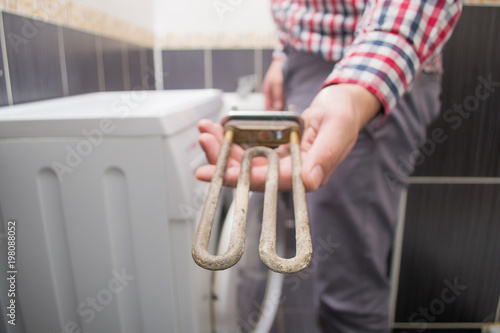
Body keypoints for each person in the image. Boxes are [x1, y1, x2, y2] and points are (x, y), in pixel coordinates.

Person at [197, 1, 463, 332]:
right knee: (336, 282)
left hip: (373, 64)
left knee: (350, 292)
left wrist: (353, 92)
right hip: (309, 62)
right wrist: (284, 56)